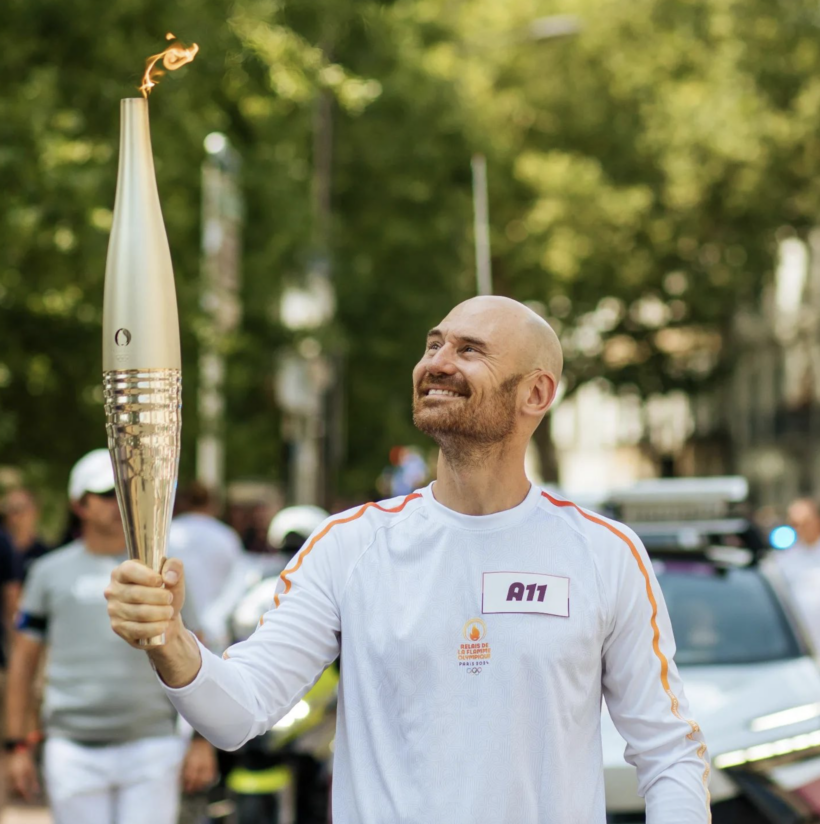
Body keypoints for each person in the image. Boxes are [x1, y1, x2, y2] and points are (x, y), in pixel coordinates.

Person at [105, 296, 711, 823]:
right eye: (434, 344)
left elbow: (668, 752)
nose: (437, 363)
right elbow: (238, 712)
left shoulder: (604, 553)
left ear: (536, 392)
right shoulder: (348, 546)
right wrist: (170, 640)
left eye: (470, 350)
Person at [5, 449, 216, 824]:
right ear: (79, 504)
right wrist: (16, 744)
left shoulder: (163, 570)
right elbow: (23, 662)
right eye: (106, 493)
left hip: (152, 744)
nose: (119, 502)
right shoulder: (48, 571)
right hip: (72, 748)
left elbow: (197, 651)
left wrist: (203, 740)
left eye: (126, 490)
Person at [168, 481, 246, 653]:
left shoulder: (169, 534)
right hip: (216, 631)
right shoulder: (226, 536)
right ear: (213, 504)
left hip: (176, 629)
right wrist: (216, 619)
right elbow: (238, 583)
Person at [768, 497, 820, 652]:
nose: (800, 529)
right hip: (800, 646)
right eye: (794, 524)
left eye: (804, 523)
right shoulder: (782, 560)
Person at [1, 488, 51, 582]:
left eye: (20, 509)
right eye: (9, 510)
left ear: (35, 512)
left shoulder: (45, 554)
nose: (14, 517)